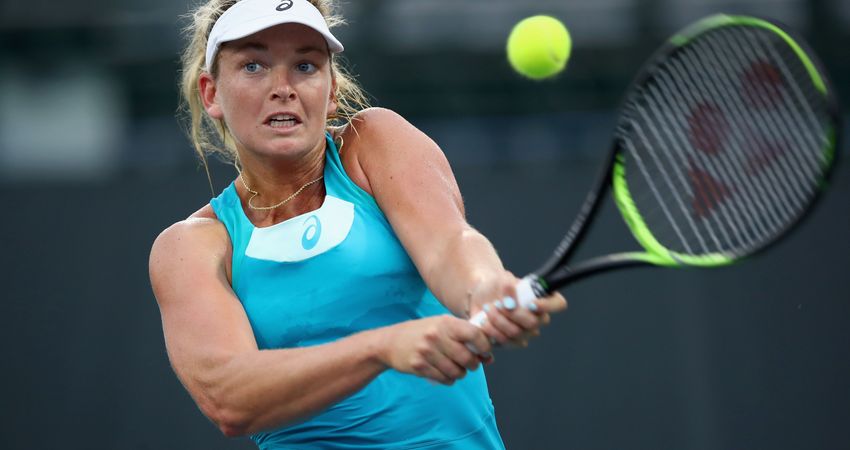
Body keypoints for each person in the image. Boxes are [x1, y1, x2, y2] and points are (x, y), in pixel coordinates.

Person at [148, 0, 567, 448]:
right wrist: (381, 348)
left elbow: (449, 243)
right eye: (254, 66)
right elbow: (230, 398)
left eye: (305, 65)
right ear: (211, 93)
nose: (283, 88)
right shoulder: (191, 247)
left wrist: (484, 286)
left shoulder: (375, 142)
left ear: (331, 91)